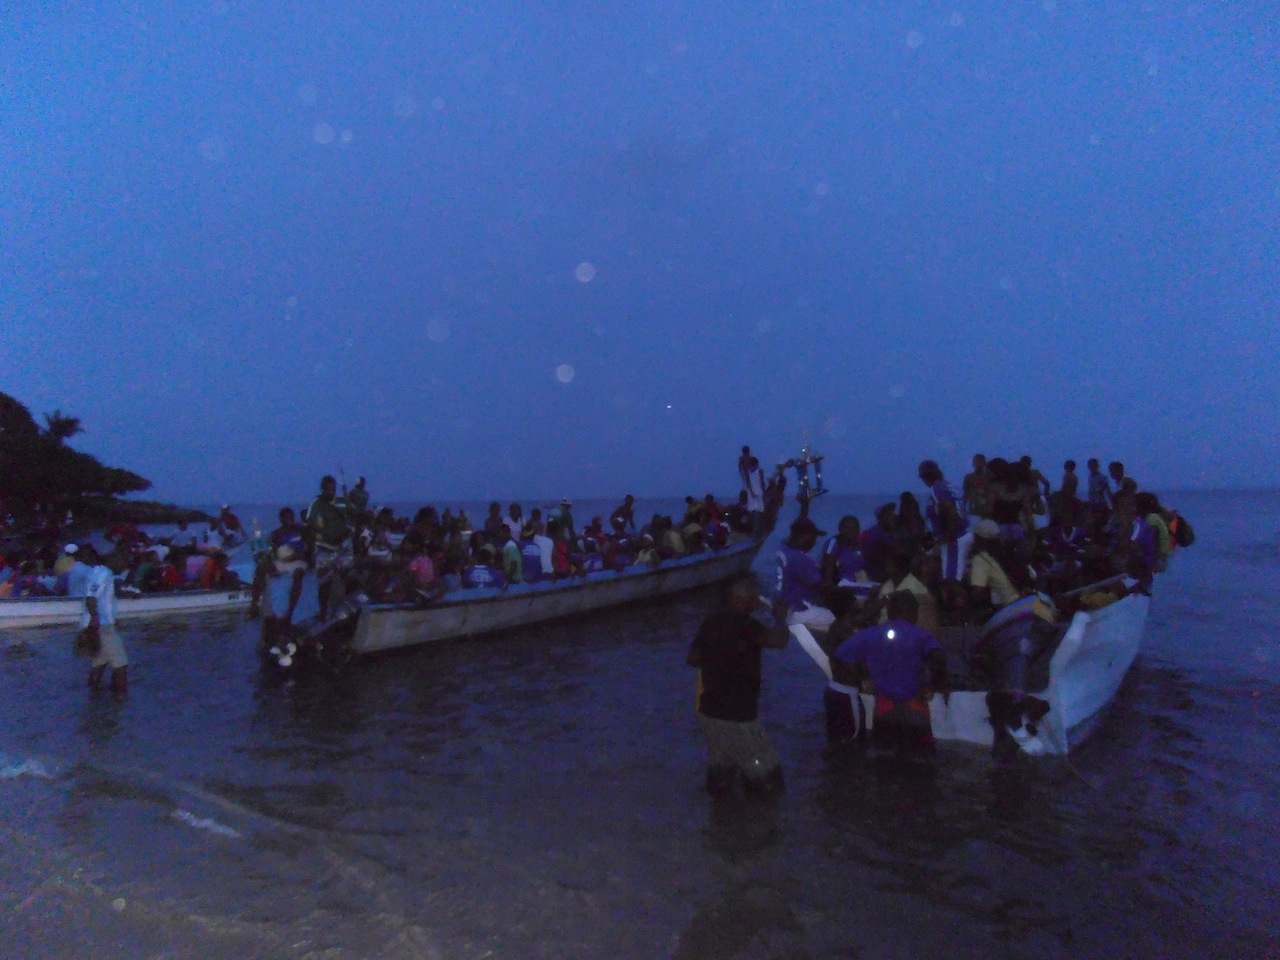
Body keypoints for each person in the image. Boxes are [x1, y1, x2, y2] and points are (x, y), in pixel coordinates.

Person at [685, 573, 790, 796]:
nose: (757, 597)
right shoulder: (747, 626)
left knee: (721, 772)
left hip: (710, 712)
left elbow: (692, 658)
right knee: (769, 780)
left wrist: (719, 660)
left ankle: (721, 814)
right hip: (739, 716)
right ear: (739, 599)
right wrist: (781, 618)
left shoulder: (712, 621)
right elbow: (779, 641)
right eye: (753, 593)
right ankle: (762, 815)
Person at [831, 590, 948, 760]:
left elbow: (840, 656)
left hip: (884, 707)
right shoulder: (922, 635)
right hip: (915, 707)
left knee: (883, 762)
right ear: (914, 613)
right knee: (922, 762)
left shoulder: (871, 634)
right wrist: (933, 685)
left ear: (890, 612)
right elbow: (939, 658)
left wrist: (862, 680)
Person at [81, 549, 129, 695]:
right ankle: (120, 697)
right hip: (102, 626)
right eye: (124, 562)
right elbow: (91, 598)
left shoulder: (99, 572)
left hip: (99, 624)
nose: (124, 567)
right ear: (114, 559)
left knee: (100, 662)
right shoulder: (104, 574)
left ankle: (94, 696)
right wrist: (95, 619)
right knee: (121, 664)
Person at [775, 517, 836, 629]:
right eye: (813, 538)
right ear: (806, 537)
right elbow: (823, 589)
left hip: (779, 605)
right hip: (795, 610)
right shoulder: (800, 558)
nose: (814, 542)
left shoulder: (782, 548)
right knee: (833, 618)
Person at [918, 459, 970, 581]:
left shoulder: (937, 488)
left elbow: (950, 510)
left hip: (955, 538)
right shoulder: (947, 485)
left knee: (952, 578)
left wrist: (948, 536)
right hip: (961, 534)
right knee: (953, 571)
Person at [308, 475, 351, 620]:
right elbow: (310, 521)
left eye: (333, 489)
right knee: (324, 581)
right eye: (328, 489)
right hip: (324, 547)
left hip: (342, 546)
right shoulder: (317, 504)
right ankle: (323, 612)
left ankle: (340, 607)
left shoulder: (341, 502)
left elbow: (353, 512)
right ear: (322, 489)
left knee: (344, 576)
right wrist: (324, 532)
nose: (331, 492)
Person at [962, 454, 992, 519]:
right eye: (976, 462)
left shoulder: (990, 477)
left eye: (980, 462)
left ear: (984, 463)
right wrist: (963, 508)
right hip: (974, 510)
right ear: (973, 464)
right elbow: (966, 493)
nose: (978, 464)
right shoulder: (969, 478)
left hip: (988, 511)